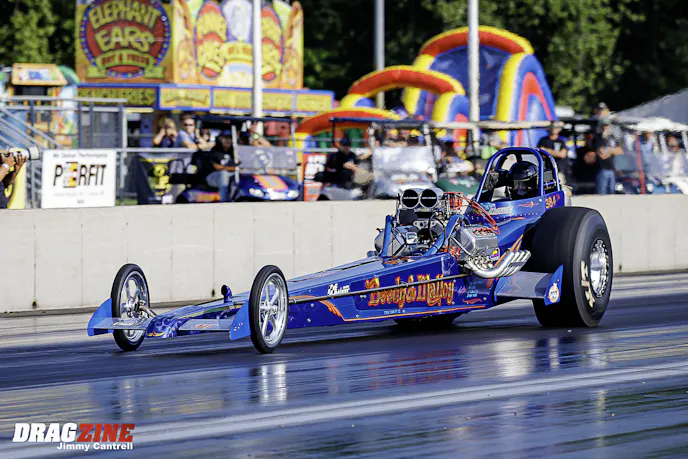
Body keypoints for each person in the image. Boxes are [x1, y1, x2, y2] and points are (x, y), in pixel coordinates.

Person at [203, 130, 239, 202]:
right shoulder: (215, 150)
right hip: (213, 176)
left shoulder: (235, 151)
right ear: (221, 139)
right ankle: (224, 200)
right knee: (223, 174)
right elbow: (216, 167)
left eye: (230, 138)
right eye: (225, 138)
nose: (228, 140)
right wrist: (233, 168)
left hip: (231, 174)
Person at [594, 119, 623, 194]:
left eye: (606, 125)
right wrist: (612, 151)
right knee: (602, 191)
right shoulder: (598, 138)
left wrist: (609, 150)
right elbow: (601, 154)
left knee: (612, 191)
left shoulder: (612, 137)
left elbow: (620, 151)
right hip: (602, 169)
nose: (605, 127)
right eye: (603, 126)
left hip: (612, 169)